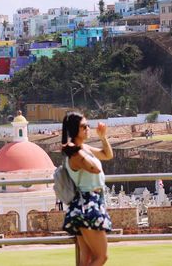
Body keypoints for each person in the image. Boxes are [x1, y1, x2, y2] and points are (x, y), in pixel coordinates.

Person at [61, 112, 113, 266]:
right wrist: (76, 150)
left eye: (87, 126)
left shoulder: (82, 149)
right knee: (101, 257)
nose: (88, 129)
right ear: (74, 130)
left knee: (87, 259)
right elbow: (95, 168)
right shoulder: (76, 154)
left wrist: (103, 137)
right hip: (88, 205)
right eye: (84, 126)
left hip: (87, 204)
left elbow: (108, 155)